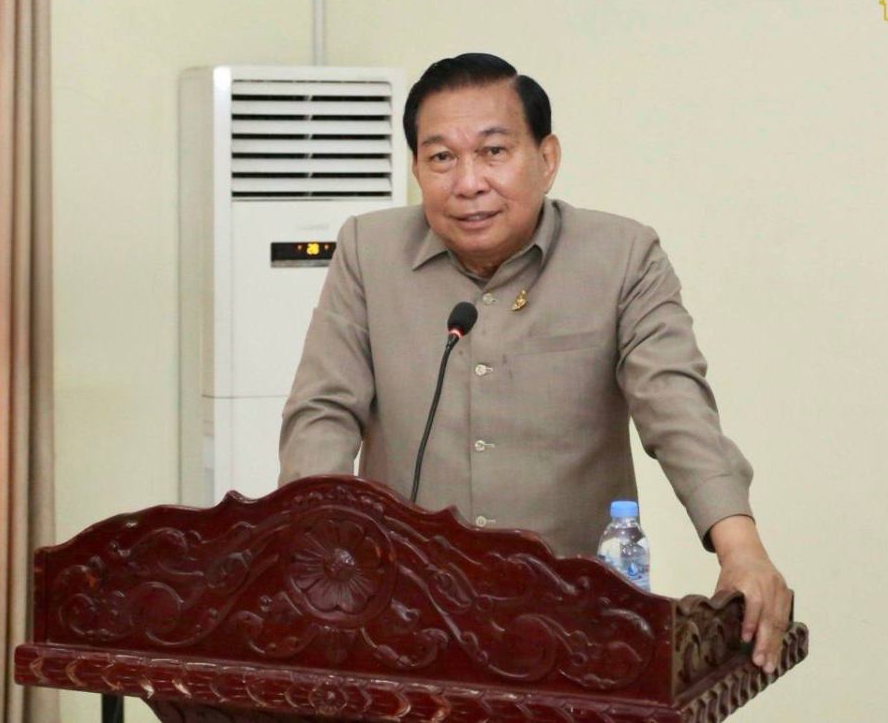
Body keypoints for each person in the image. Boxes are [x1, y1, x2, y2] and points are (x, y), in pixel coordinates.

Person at [279, 53, 792, 673]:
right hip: (403, 621)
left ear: (547, 159)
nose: (468, 182)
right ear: (416, 169)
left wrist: (740, 548)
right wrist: (315, 554)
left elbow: (675, 407)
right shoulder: (368, 252)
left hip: (575, 623)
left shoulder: (622, 258)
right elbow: (324, 411)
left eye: (493, 152)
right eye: (441, 158)